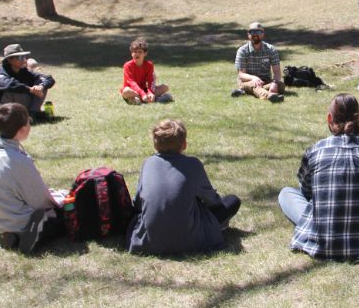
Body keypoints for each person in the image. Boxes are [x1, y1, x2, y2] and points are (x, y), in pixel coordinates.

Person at [278, 94, 359, 260]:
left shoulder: (315, 150)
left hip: (322, 239)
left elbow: (306, 190)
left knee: (286, 193)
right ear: (357, 118)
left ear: (329, 118)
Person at [127, 120, 240, 256]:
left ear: (155, 145)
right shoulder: (193, 164)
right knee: (232, 201)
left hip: (147, 242)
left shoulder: (148, 164)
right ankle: (214, 229)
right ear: (184, 144)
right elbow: (212, 201)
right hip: (192, 240)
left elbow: (138, 203)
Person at [0, 103, 66, 254]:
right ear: (22, 129)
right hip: (21, 219)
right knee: (67, 214)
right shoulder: (16, 160)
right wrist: (61, 198)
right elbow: (40, 200)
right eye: (28, 121)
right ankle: (29, 234)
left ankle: (10, 235)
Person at [0, 44, 56, 121]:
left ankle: (32, 115)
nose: (24, 60)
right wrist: (30, 89)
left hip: (21, 104)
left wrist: (41, 87)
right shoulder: (2, 73)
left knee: (41, 83)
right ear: (9, 60)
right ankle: (22, 116)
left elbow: (48, 78)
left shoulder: (23, 71)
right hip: (5, 110)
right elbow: (8, 85)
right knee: (12, 89)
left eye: (24, 57)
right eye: (20, 57)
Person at [233, 22, 285, 102]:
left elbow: (277, 72)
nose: (255, 35)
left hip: (265, 81)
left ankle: (249, 92)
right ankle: (269, 96)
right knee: (254, 85)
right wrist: (254, 78)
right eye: (252, 32)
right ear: (248, 34)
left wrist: (274, 83)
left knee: (280, 85)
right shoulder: (242, 50)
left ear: (263, 34)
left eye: (258, 32)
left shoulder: (271, 49)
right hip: (248, 81)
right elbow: (241, 75)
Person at [120, 38, 173, 105]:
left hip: (144, 89)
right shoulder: (127, 65)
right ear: (131, 53)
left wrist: (150, 92)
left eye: (140, 52)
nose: (137, 54)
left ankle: (139, 100)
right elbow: (131, 82)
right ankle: (155, 99)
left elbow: (151, 81)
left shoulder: (149, 65)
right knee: (126, 92)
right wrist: (143, 94)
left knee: (165, 87)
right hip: (132, 90)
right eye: (134, 51)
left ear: (145, 53)